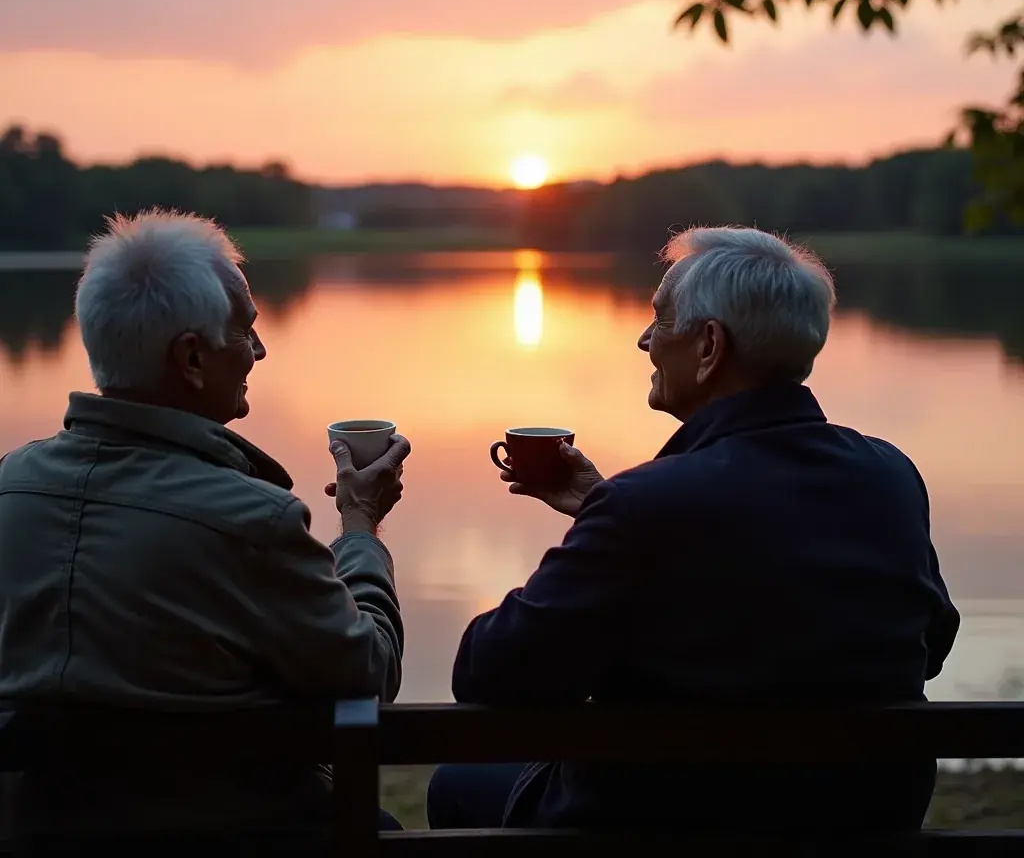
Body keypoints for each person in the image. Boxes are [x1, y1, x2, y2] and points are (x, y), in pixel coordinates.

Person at [428, 225, 960, 834]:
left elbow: (492, 672)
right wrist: (605, 514)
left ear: (709, 346)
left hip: (667, 826)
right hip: (859, 823)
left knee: (458, 785)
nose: (644, 339)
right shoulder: (890, 477)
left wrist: (614, 525)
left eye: (660, 319)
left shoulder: (643, 507)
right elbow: (932, 643)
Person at [0, 209, 409, 841]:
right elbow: (369, 673)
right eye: (246, 332)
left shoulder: (9, 490)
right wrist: (359, 527)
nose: (259, 351)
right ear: (192, 357)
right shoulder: (252, 523)